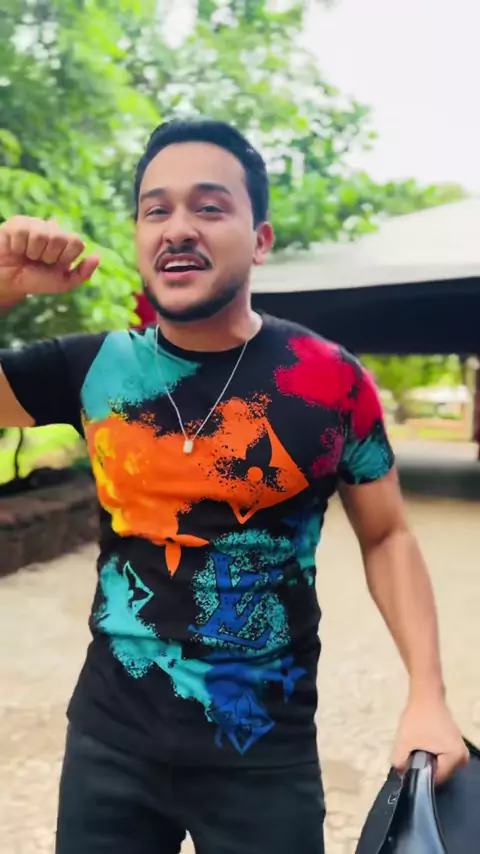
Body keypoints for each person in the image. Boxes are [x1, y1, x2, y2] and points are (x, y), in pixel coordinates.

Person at [0, 119, 468, 854]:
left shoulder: (330, 380)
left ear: (260, 240)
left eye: (210, 207)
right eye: (156, 210)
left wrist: (427, 696)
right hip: (109, 746)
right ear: (139, 236)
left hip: (265, 755)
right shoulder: (94, 367)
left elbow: (388, 535)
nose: (178, 227)